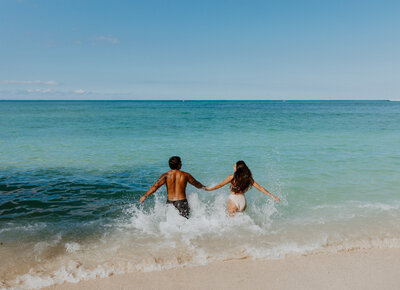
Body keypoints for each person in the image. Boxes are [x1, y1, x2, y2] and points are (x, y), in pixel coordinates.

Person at [205, 160, 280, 216]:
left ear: (238, 169)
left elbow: (219, 185)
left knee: (231, 224)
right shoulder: (248, 178)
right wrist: (272, 196)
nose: (233, 167)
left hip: (233, 200)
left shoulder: (232, 177)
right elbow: (260, 187)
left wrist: (209, 189)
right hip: (243, 202)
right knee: (240, 221)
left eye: (234, 166)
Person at [140, 156, 205, 219]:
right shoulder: (185, 175)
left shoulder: (165, 175)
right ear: (178, 164)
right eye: (180, 162)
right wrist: (205, 187)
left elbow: (155, 186)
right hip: (181, 202)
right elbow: (196, 184)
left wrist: (145, 196)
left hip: (170, 203)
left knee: (170, 224)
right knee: (184, 224)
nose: (181, 164)